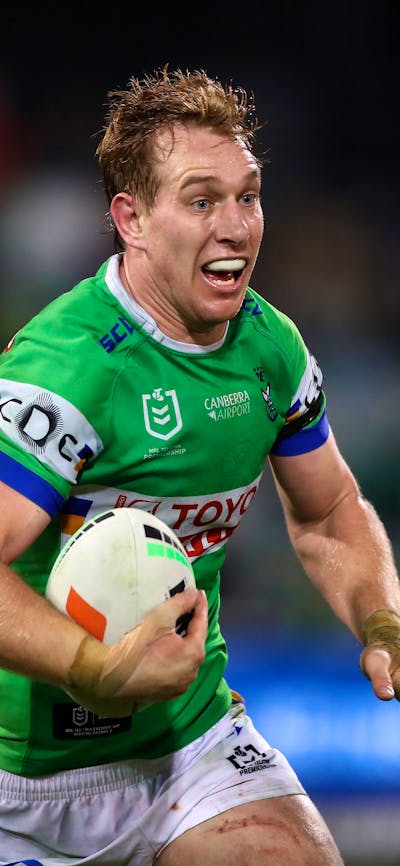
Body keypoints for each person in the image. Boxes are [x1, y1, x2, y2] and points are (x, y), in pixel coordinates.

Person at [0, 66, 399, 866]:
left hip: (188, 745)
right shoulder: (68, 371)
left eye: (248, 196)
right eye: (201, 200)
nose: (236, 227)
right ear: (132, 219)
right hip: (19, 777)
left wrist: (380, 620)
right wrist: (93, 667)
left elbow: (329, 512)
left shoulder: (270, 349)